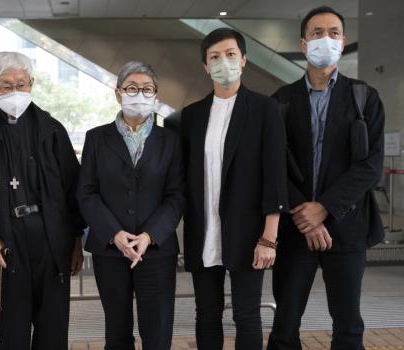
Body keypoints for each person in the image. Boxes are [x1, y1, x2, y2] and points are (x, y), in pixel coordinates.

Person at [266, 7, 385, 350]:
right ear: (303, 44)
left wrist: (325, 208)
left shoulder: (364, 97)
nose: (326, 39)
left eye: (334, 33)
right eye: (317, 33)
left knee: (348, 327)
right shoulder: (281, 101)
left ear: (343, 42)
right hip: (294, 227)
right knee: (284, 327)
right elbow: (273, 166)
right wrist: (306, 214)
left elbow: (370, 165)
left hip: (347, 227)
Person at [0, 51, 85, 350]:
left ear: (32, 83)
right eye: (5, 86)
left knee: (52, 334)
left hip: (51, 241)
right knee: (9, 333)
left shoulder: (52, 128)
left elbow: (72, 190)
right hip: (2, 243)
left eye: (21, 84)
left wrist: (75, 241)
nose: (15, 92)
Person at [181, 28, 288, 350]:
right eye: (214, 57)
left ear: (243, 59)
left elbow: (275, 174)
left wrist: (269, 238)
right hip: (204, 231)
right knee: (206, 314)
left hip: (249, 232)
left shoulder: (264, 109)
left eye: (230, 55)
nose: (223, 62)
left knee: (246, 315)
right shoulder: (193, 115)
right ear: (205, 66)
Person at [77, 61, 184, 350]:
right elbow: (86, 193)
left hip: (157, 249)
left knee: (158, 330)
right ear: (118, 93)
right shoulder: (97, 138)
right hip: (110, 250)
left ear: (155, 95)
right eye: (132, 88)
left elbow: (176, 196)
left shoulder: (171, 141)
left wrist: (149, 235)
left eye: (147, 89)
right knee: (117, 330)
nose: (140, 94)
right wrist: (114, 233)